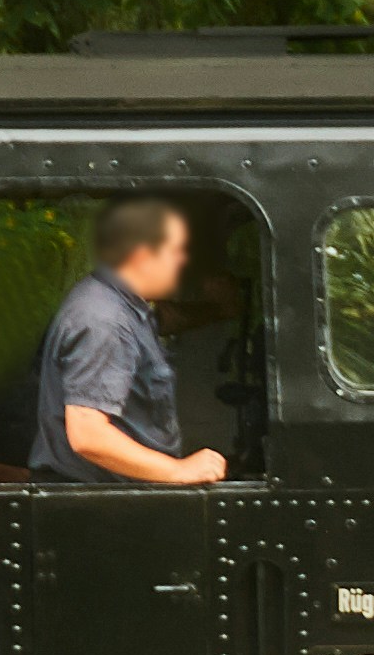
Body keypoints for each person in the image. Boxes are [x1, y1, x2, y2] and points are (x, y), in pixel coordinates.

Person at [30, 198, 230, 485]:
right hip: (99, 508)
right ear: (141, 255)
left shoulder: (120, 306)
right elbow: (88, 435)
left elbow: (165, 322)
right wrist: (179, 470)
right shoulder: (104, 320)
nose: (182, 260)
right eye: (174, 250)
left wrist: (219, 309)